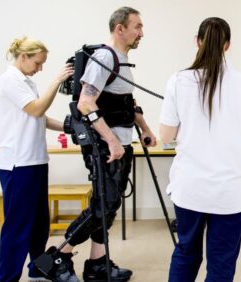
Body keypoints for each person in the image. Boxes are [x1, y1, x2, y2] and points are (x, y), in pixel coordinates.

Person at [45, 6, 157, 282]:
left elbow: (127, 104)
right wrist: (110, 140)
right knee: (102, 207)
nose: (141, 32)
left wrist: (145, 129)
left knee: (107, 205)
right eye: (137, 26)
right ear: (120, 28)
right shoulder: (105, 57)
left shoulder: (122, 61)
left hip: (120, 143)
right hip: (103, 146)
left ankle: (97, 264)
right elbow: (85, 103)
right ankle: (54, 258)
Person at [159, 17, 241, 282]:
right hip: (230, 190)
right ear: (228, 45)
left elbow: (166, 136)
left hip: (190, 188)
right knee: (222, 262)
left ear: (197, 42)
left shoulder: (179, 81)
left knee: (186, 253)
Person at [0, 36, 73, 282]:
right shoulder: (9, 81)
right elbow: (37, 109)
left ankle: (38, 268)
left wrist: (70, 127)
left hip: (36, 160)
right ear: (23, 57)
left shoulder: (27, 82)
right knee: (18, 227)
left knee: (40, 225)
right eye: (38, 63)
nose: (40, 69)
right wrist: (57, 81)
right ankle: (6, 278)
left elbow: (40, 118)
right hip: (18, 164)